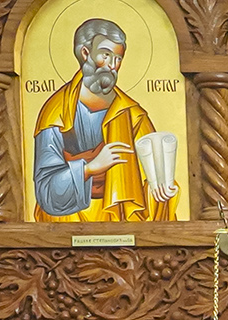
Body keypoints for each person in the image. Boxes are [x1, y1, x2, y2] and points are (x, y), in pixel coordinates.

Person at [31, 16, 169, 221]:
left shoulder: (132, 113)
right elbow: (46, 190)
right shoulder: (56, 112)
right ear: (85, 53)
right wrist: (89, 168)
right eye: (106, 55)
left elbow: (153, 177)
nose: (112, 65)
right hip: (68, 221)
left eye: (118, 59)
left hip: (122, 220)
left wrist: (161, 189)